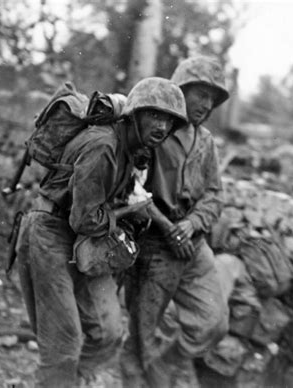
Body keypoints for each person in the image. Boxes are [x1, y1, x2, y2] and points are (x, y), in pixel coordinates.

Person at [15, 77, 187, 388]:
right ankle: (57, 380)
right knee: (63, 341)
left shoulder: (131, 149)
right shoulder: (105, 145)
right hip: (50, 233)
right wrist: (127, 212)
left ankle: (67, 382)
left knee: (108, 332)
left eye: (170, 121)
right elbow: (84, 219)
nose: (162, 127)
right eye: (155, 115)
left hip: (85, 240)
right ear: (135, 114)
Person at [122, 56, 230, 388]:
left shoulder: (207, 141)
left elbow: (214, 194)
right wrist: (168, 228)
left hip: (193, 244)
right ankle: (140, 374)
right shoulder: (154, 132)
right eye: (201, 94)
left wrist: (193, 223)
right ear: (181, 90)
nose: (207, 104)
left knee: (213, 323)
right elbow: (130, 189)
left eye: (213, 98)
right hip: (155, 244)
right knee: (144, 332)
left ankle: (163, 365)